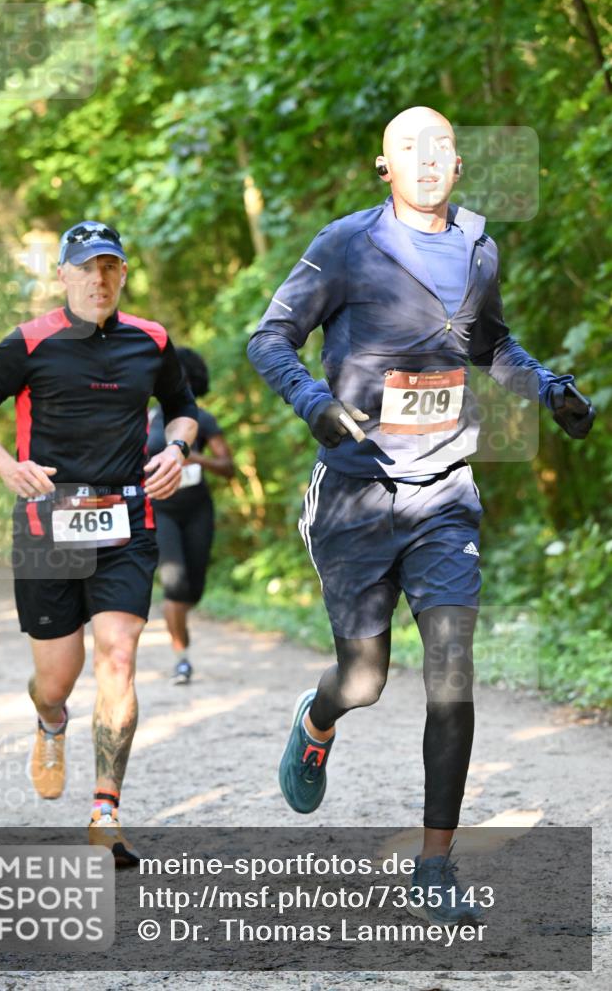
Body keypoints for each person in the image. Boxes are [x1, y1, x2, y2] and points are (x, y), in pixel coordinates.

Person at [247, 107, 595, 924]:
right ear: (384, 165)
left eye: (439, 145)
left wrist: (546, 388)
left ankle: (433, 864)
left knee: (450, 668)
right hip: (356, 495)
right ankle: (319, 715)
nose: (426, 157)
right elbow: (269, 338)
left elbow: (490, 345)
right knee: (365, 678)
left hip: (443, 492)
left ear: (459, 163)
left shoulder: (477, 248)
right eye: (409, 146)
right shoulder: (344, 245)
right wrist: (314, 405)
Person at [0, 221, 198, 866]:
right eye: (86, 268)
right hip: (47, 526)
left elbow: (182, 405)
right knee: (56, 681)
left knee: (118, 655)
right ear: (62, 274)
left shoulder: (153, 339)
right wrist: (8, 469)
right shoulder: (28, 342)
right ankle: (50, 722)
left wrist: (176, 447)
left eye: (110, 267)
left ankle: (105, 813)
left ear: (122, 273)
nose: (99, 279)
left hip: (127, 522)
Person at [147, 347, 234, 684]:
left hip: (197, 508)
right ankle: (181, 657)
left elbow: (228, 467)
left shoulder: (203, 418)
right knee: (174, 583)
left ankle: (180, 622)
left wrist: (196, 459)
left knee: (193, 589)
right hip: (160, 509)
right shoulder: (148, 419)